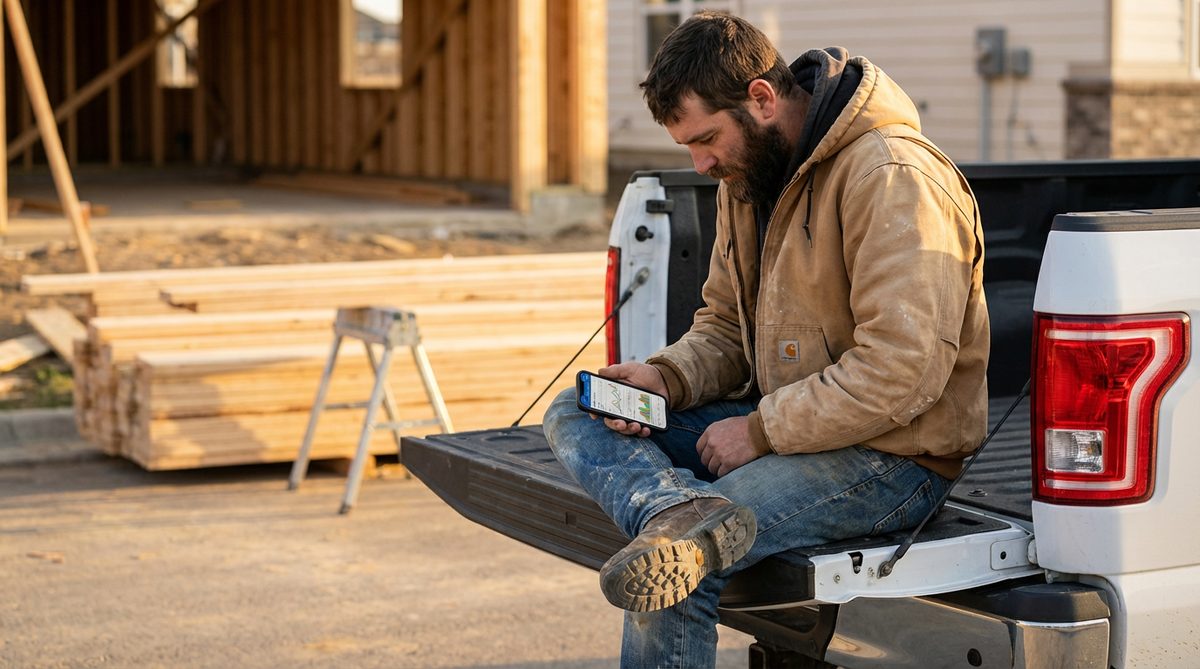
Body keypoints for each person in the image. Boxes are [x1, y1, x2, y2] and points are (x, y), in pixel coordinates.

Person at [543, 10, 989, 668]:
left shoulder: (892, 176)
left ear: (760, 98)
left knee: (676, 569)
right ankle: (674, 511)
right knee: (580, 407)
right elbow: (725, 325)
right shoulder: (748, 178)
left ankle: (681, 526)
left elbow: (903, 371)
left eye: (706, 138)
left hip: (895, 458)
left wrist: (760, 431)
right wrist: (666, 377)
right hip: (794, 426)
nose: (700, 162)